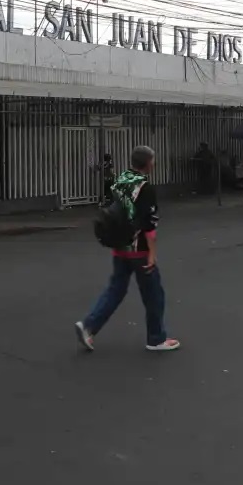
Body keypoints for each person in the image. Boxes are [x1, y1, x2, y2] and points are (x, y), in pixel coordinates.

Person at [75, 145, 180, 353]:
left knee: (115, 289)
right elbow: (149, 225)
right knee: (153, 294)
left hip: (119, 245)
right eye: (153, 160)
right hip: (138, 249)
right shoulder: (145, 188)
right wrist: (152, 252)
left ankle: (88, 326)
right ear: (149, 163)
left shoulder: (121, 181)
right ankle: (156, 338)